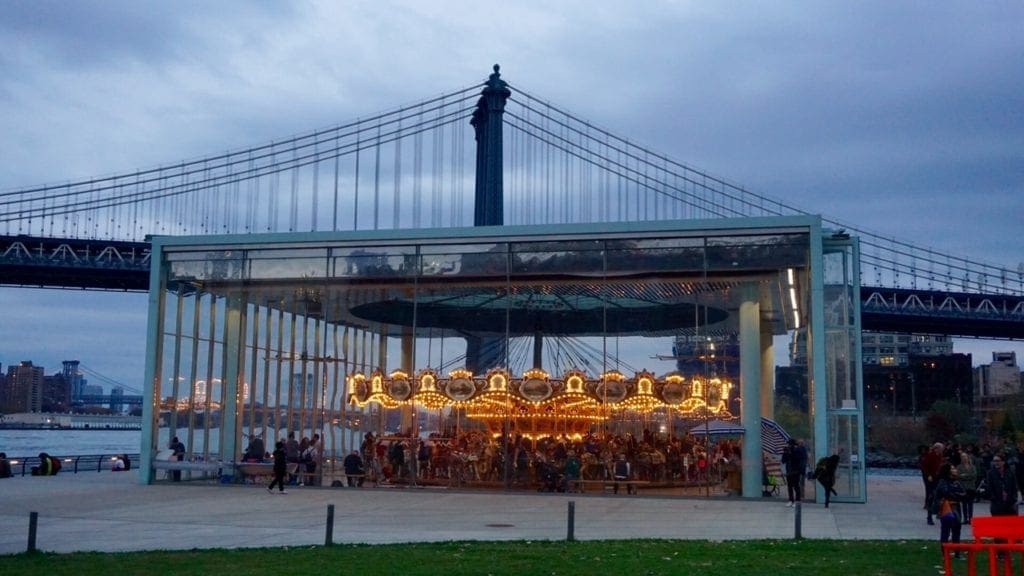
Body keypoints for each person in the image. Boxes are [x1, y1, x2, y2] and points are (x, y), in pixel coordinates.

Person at [932, 462, 967, 559]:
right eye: (953, 468)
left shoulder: (956, 482)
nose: (955, 470)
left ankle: (957, 553)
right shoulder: (943, 481)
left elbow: (963, 493)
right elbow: (946, 493)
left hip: (956, 508)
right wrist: (956, 494)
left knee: (957, 530)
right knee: (945, 531)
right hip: (947, 508)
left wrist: (956, 494)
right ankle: (945, 553)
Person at [920, 442, 944, 525]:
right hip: (931, 478)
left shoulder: (940, 456)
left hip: (938, 478)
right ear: (936, 448)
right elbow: (924, 466)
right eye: (941, 449)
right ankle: (929, 516)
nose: (942, 450)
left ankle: (938, 512)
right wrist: (928, 475)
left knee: (940, 496)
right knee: (931, 496)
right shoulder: (930, 456)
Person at [782, 437, 808, 507]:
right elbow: (783, 460)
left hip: (796, 471)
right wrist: (785, 453)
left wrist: (791, 452)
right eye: (788, 444)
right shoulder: (787, 451)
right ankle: (791, 500)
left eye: (790, 444)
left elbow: (797, 460)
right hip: (789, 471)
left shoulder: (798, 451)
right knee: (789, 486)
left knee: (796, 486)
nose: (789, 446)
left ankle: (797, 501)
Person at [955, 449, 977, 524]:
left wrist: (965, 475)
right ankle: (965, 518)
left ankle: (971, 518)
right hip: (963, 487)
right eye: (962, 457)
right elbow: (958, 476)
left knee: (970, 504)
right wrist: (966, 476)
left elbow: (974, 475)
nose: (964, 458)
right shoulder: (959, 467)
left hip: (971, 487)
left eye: (965, 457)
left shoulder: (973, 467)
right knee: (964, 504)